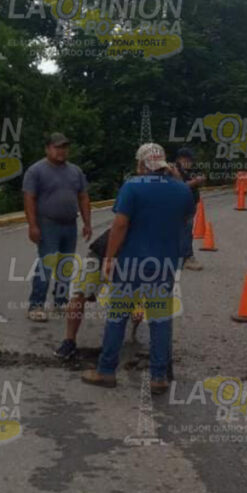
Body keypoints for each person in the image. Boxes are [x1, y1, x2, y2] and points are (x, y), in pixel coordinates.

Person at [81, 143, 194, 393]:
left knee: (117, 316)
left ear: (143, 164)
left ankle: (106, 371)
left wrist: (109, 258)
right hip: (163, 264)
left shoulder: (133, 186)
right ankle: (158, 377)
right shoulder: (182, 190)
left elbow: (120, 225)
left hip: (130, 264)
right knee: (160, 320)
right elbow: (185, 221)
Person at [23, 133, 92, 324]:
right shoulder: (36, 171)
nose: (61, 151)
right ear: (47, 149)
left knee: (66, 264)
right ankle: (36, 305)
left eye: (64, 147)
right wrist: (33, 225)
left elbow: (83, 197)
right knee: (47, 263)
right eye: (57, 147)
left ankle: (61, 301)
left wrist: (87, 223)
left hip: (70, 224)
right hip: (47, 224)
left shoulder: (75, 171)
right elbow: (29, 198)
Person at [174, 148, 205, 271]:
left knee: (186, 230)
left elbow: (200, 181)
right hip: (179, 205)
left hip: (191, 203)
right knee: (184, 231)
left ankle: (182, 257)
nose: (190, 162)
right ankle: (187, 257)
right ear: (180, 159)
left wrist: (201, 180)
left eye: (190, 160)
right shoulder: (174, 170)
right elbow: (180, 186)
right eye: (187, 160)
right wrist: (195, 181)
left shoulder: (192, 170)